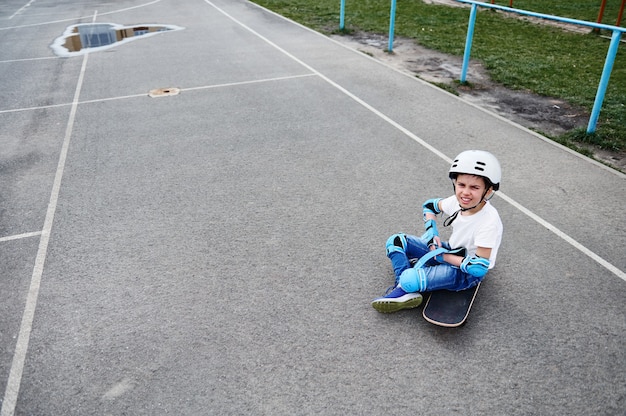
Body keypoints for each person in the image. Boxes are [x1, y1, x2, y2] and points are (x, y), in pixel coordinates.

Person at [372, 150, 503, 313]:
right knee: (396, 241)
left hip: (465, 272)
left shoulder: (488, 222)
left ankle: (406, 284)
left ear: (488, 191)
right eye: (461, 185)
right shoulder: (457, 202)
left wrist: (442, 256)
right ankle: (406, 287)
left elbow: (478, 268)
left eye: (475, 187)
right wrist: (432, 234)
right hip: (449, 250)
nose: (465, 192)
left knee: (409, 278)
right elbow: (429, 206)